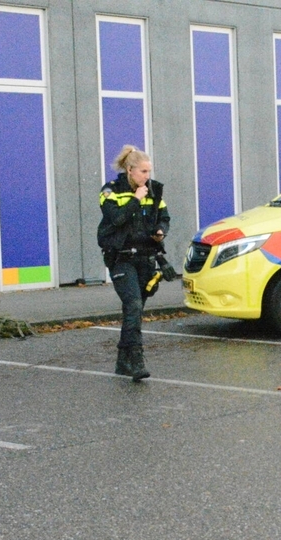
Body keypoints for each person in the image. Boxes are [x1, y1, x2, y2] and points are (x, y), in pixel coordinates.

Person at [98, 145, 170, 380]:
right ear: (130, 170)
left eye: (149, 171)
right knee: (134, 305)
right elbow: (117, 219)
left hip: (145, 258)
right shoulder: (111, 191)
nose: (147, 177)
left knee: (134, 311)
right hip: (121, 258)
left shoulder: (154, 190)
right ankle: (137, 359)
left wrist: (160, 231)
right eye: (143, 172)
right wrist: (136, 199)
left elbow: (164, 217)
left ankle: (122, 361)